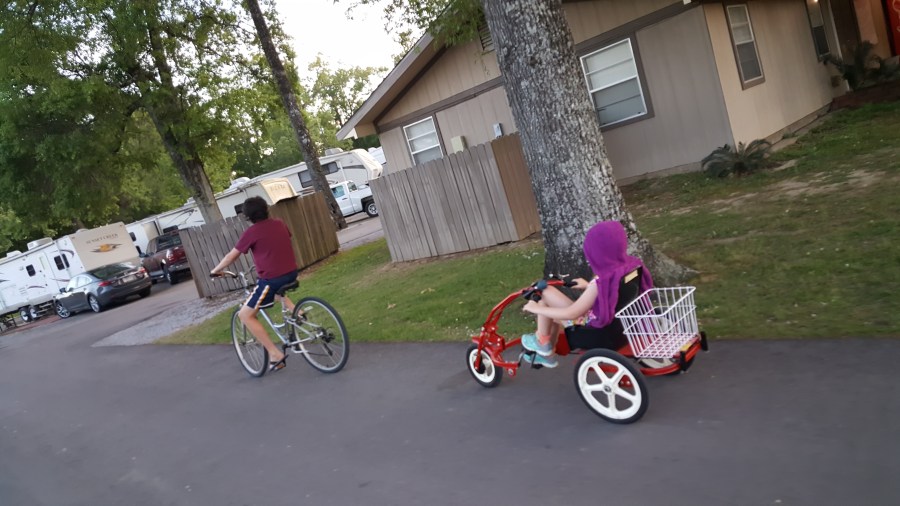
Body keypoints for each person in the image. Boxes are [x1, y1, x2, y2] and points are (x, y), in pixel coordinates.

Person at [521, 220, 654, 368]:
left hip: (590, 325)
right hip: (616, 322)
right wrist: (587, 285)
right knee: (544, 297)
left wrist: (535, 309)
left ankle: (543, 345)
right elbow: (612, 291)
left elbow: (572, 313)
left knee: (543, 295)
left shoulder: (600, 282)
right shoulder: (627, 268)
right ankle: (544, 347)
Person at [211, 196, 298, 372]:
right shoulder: (279, 223)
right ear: (266, 209)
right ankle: (298, 312)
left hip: (271, 279)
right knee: (275, 292)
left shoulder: (251, 233)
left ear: (248, 216)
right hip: (291, 273)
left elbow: (231, 256)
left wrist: (216, 270)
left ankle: (275, 354)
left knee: (245, 315)